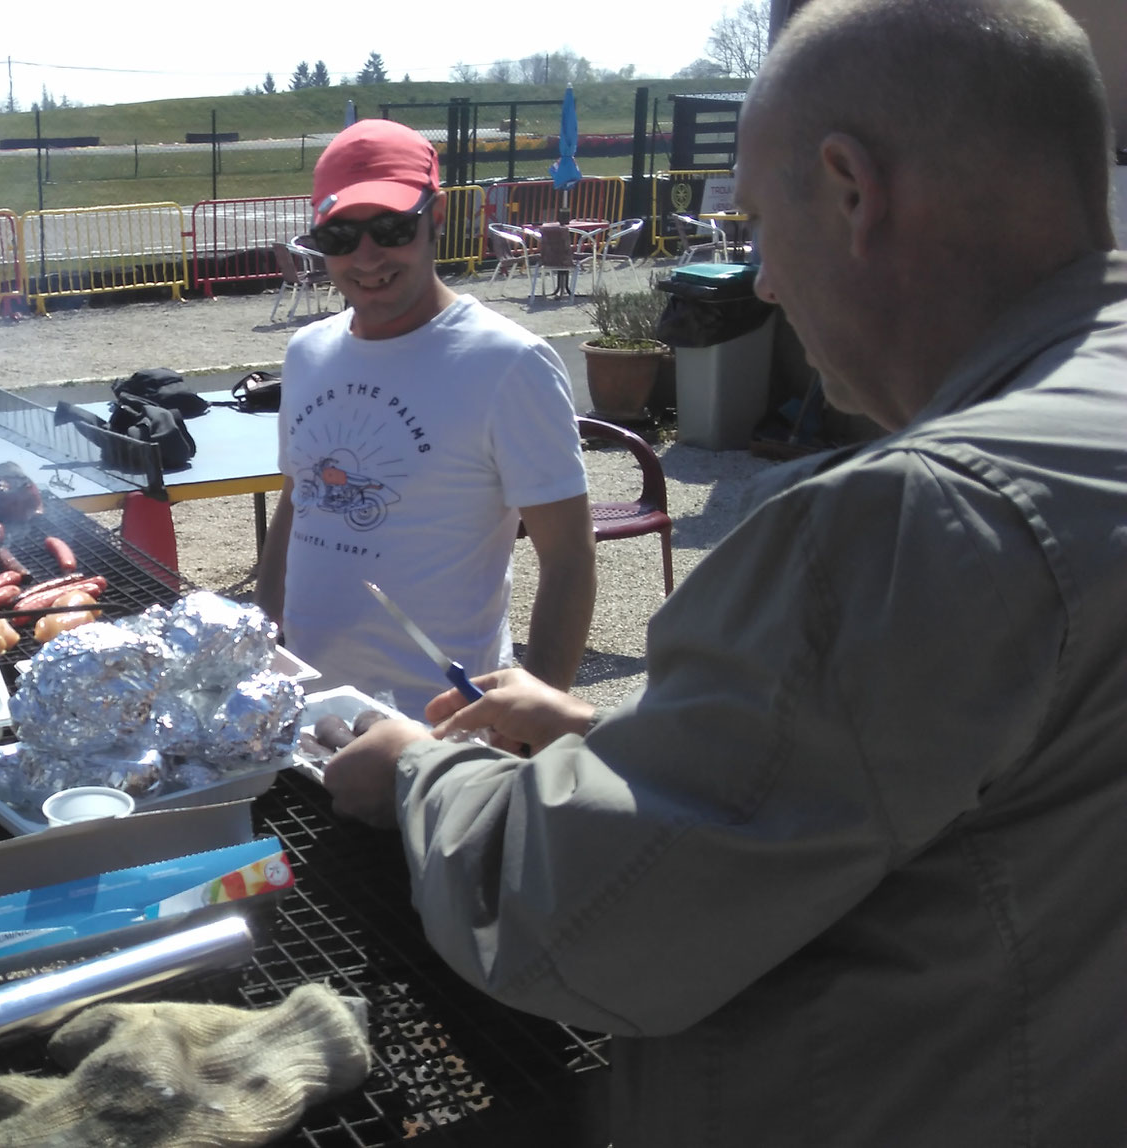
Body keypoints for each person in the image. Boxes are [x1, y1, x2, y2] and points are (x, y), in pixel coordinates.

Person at [321, 1, 1127, 1141]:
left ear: (850, 189)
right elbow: (940, 787)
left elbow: (576, 926)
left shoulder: (924, 519)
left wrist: (416, 774)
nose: (759, 284)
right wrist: (604, 744)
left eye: (752, 224)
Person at [253, 118, 595, 715]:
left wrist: (529, 717)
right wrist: (261, 632)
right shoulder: (306, 352)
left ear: (433, 219)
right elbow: (297, 496)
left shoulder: (510, 363)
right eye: (340, 236)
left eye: (390, 228)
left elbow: (568, 559)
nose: (366, 257)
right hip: (304, 712)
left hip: (436, 730)